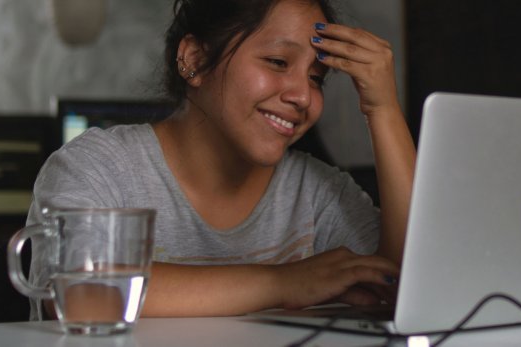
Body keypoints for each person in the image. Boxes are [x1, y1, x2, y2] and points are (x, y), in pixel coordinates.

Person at [26, 0, 416, 318]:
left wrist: (382, 109)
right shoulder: (97, 167)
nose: (303, 96)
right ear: (194, 60)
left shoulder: (318, 193)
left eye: (316, 78)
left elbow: (411, 286)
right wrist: (283, 283)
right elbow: (78, 293)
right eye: (278, 62)